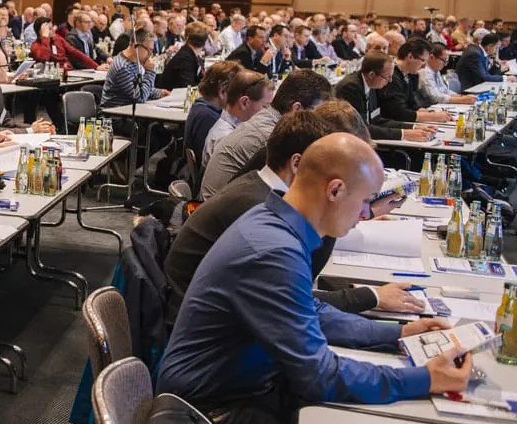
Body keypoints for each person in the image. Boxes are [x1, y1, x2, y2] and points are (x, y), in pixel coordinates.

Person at [157, 133, 470, 424]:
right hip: (208, 414)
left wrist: (398, 334)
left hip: (237, 389)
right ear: (335, 190)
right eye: (364, 201)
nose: (365, 214)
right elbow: (319, 375)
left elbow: (311, 312)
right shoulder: (273, 250)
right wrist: (425, 378)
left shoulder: (275, 223)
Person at [167, 108, 420, 325]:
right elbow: (294, 300)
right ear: (298, 163)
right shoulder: (258, 207)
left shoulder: (262, 189)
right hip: (207, 328)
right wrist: (369, 297)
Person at [200, 70, 332, 200]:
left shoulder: (266, 118)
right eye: (318, 112)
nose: (320, 120)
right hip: (225, 209)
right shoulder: (272, 137)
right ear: (297, 109)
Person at [335, 51, 437, 143]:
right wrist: (404, 134)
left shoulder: (372, 83)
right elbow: (360, 128)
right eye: (387, 76)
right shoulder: (350, 88)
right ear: (371, 74)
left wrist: (413, 127)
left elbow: (376, 119)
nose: (390, 81)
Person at [0, 47, 54, 135]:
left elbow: (7, 123)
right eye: (5, 66)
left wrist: (38, 128)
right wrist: (31, 130)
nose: (8, 70)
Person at [182, 60, 238, 179]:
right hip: (207, 178)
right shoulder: (209, 118)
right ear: (223, 92)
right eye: (238, 92)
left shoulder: (201, 107)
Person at [203, 71, 270, 166]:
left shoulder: (235, 126)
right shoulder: (226, 139)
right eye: (265, 106)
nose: (267, 112)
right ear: (244, 102)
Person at [379, 38, 454, 125]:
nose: (424, 67)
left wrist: (430, 113)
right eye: (423, 61)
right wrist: (433, 117)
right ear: (410, 57)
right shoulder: (392, 76)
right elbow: (399, 113)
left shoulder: (407, 73)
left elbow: (412, 105)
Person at [416, 43, 477, 107]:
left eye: (446, 61)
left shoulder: (435, 70)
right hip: (429, 107)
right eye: (443, 60)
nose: (445, 65)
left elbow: (445, 90)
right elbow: (435, 97)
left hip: (439, 105)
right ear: (432, 57)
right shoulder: (424, 72)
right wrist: (462, 100)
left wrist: (463, 97)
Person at [30, 17, 96, 71]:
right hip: (54, 75)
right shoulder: (36, 46)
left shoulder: (58, 39)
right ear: (41, 32)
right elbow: (44, 58)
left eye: (52, 27)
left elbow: (75, 52)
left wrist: (96, 66)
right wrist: (45, 37)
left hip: (69, 71)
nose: (53, 30)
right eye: (49, 29)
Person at [158, 21, 208, 89]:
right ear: (205, 41)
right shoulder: (185, 58)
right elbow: (188, 87)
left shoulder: (192, 55)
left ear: (186, 37)